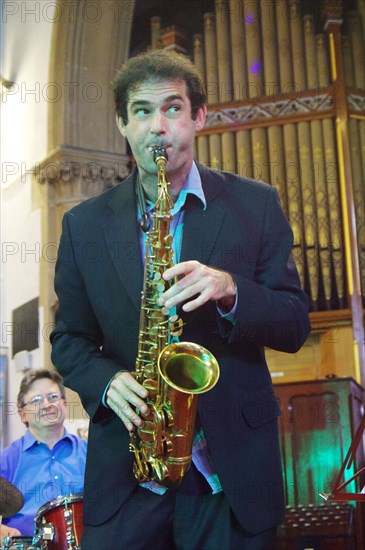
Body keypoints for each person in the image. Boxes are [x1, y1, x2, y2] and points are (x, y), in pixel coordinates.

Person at [50, 49, 311, 550]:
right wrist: (106, 382)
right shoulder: (82, 225)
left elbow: (295, 323)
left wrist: (233, 289)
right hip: (129, 472)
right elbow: (69, 339)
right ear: (122, 125)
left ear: (199, 117)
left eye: (172, 109)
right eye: (142, 112)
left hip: (229, 475)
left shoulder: (256, 204)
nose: (158, 128)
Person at [0, 369, 87, 542]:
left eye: (53, 397)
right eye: (36, 400)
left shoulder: (89, 452)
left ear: (65, 403)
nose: (47, 404)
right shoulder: (7, 459)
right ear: (22, 413)